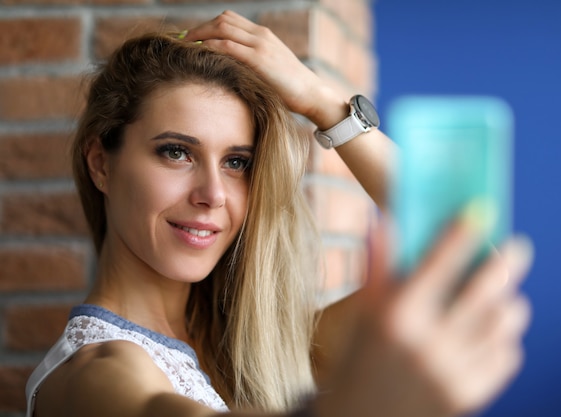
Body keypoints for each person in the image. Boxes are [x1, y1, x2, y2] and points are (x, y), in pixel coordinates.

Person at [25, 10, 533, 417]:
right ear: (101, 165)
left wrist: (325, 105)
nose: (212, 194)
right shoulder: (95, 372)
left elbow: (470, 269)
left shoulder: (255, 344)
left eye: (237, 162)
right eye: (176, 152)